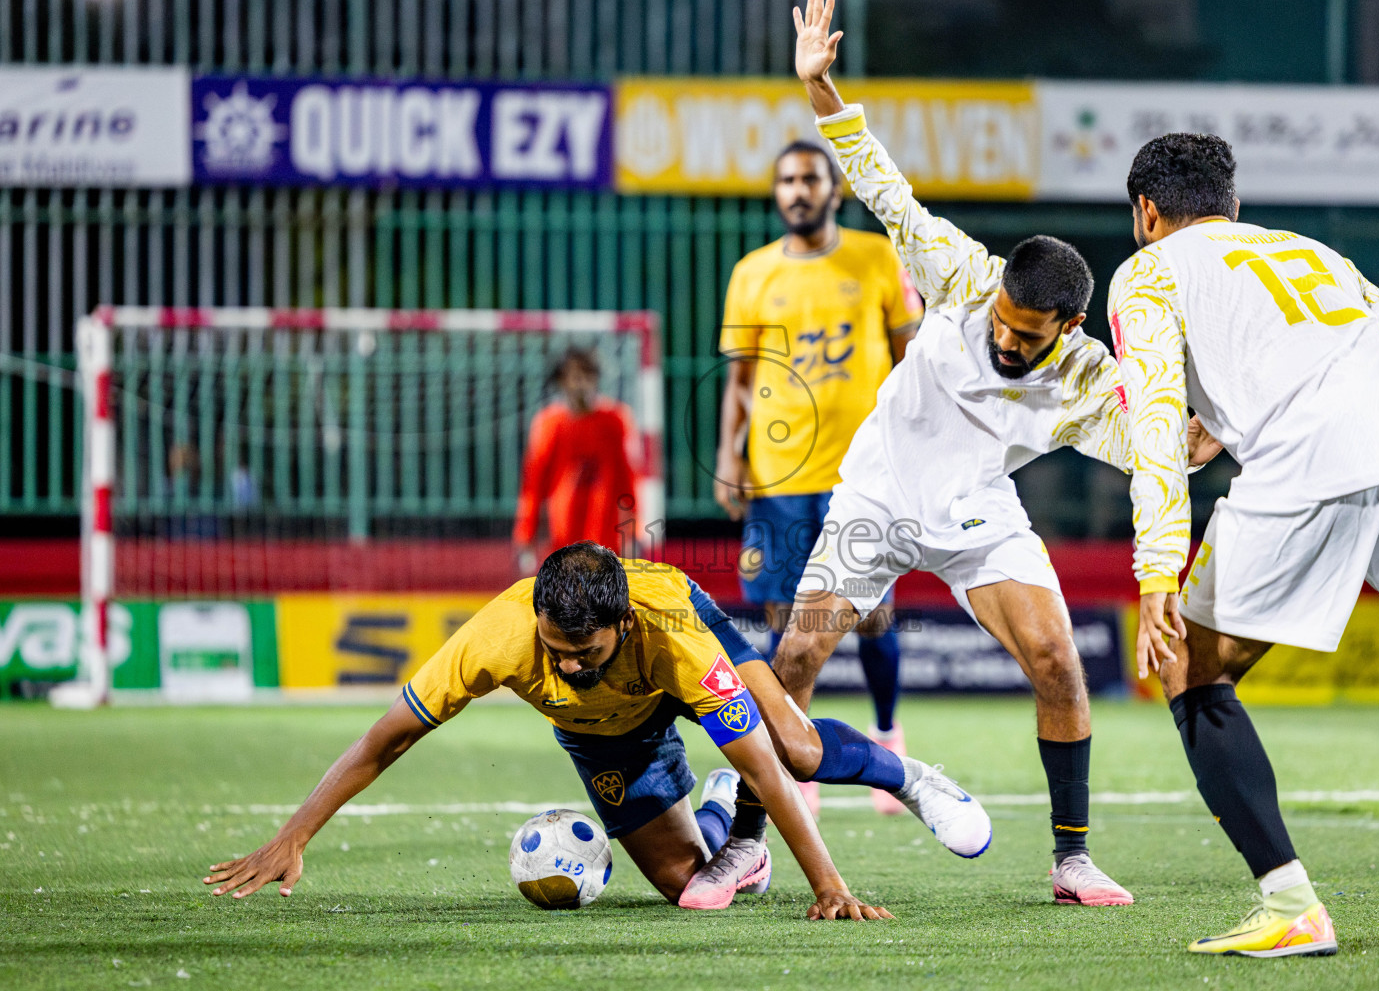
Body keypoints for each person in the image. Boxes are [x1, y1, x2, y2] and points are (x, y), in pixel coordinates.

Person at [776, 0, 1215, 906]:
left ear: (1071, 322)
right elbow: (878, 179)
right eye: (1005, 326)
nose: (1009, 342)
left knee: (1058, 661)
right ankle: (745, 843)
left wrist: (1199, 439)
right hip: (879, 496)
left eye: (1029, 334)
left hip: (977, 515)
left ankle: (1071, 860)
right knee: (793, 663)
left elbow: (1155, 446)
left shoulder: (1088, 377)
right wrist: (820, 89)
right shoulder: (963, 276)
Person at [1111, 131, 1379, 957]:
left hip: (1315, 455)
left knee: (1189, 667)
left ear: (1147, 213)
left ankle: (1289, 905)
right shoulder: (1311, 253)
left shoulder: (1148, 271)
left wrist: (1158, 564)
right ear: (1233, 207)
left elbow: (1154, 418)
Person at [201, 541, 989, 916]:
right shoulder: (498, 634)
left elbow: (763, 764)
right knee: (688, 888)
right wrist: (295, 834)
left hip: (685, 651)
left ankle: (910, 777)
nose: (567, 663)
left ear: (618, 625)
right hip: (602, 736)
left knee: (795, 748)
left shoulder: (670, 632)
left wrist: (831, 889)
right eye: (555, 648)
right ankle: (722, 821)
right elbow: (388, 737)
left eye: (584, 651)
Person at [714, 136, 924, 816]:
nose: (798, 190)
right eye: (787, 181)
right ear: (777, 194)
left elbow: (910, 359)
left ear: (835, 190)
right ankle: (795, 749)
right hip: (778, 479)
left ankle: (886, 734)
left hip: (861, 474)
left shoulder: (877, 258)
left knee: (871, 615)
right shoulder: (752, 273)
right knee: (784, 620)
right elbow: (740, 380)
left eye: (810, 179)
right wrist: (729, 456)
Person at [513, 348, 638, 565]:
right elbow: (533, 483)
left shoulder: (615, 420)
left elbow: (627, 478)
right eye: (574, 376)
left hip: (605, 537)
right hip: (563, 537)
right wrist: (526, 533)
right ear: (561, 381)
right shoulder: (549, 423)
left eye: (587, 375)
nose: (581, 383)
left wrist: (634, 528)